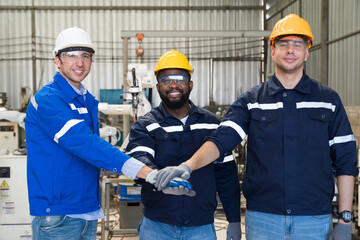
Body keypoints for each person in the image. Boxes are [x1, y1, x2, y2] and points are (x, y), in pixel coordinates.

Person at [154, 14, 359, 240]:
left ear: (306, 52)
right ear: (273, 51)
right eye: (283, 44)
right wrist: (189, 165)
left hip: (313, 219)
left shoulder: (328, 100)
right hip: (263, 219)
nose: (290, 50)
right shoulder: (251, 101)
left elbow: (346, 160)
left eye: (297, 44)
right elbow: (222, 139)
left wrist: (345, 218)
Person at [25, 28, 193, 240]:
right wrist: (149, 173)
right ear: (57, 61)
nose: (80, 62)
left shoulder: (85, 100)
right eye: (72, 56)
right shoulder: (48, 100)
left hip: (85, 207)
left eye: (85, 56)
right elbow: (86, 144)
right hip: (58, 213)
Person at [125, 49, 241, 240]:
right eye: (165, 80)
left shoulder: (212, 123)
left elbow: (226, 174)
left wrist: (234, 219)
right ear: (157, 86)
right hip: (157, 227)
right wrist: (158, 177)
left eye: (179, 78)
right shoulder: (146, 124)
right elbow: (139, 159)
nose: (173, 85)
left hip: (201, 228)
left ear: (190, 84)